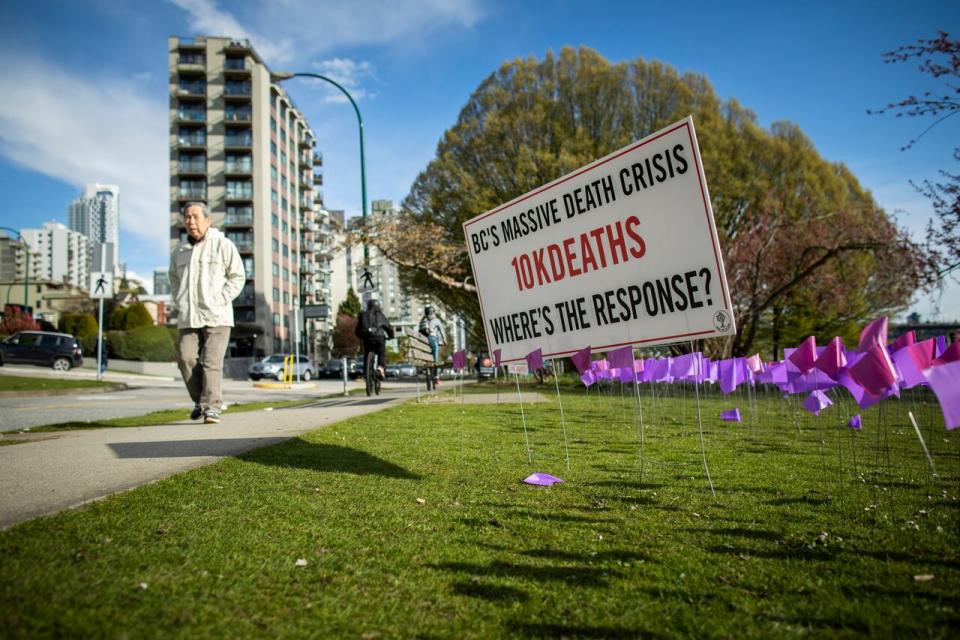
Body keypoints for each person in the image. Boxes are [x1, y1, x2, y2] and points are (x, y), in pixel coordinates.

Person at [169, 202, 245, 424]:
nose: (190, 221)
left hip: (218, 315)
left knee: (212, 361)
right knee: (185, 359)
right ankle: (201, 401)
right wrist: (179, 299)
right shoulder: (179, 251)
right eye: (187, 217)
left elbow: (238, 276)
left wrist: (220, 299)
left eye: (195, 217)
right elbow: (173, 279)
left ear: (207, 220)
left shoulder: (223, 244)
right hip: (188, 314)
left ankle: (211, 407)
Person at [355, 299, 394, 379]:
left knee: (367, 353)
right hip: (379, 337)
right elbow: (389, 327)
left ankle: (366, 372)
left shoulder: (363, 315)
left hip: (367, 338)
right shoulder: (380, 315)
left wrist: (361, 336)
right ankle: (380, 368)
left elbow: (357, 330)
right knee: (381, 352)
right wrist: (391, 336)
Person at [418, 306, 445, 385]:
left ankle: (427, 368)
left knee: (430, 352)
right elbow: (440, 331)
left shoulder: (423, 320)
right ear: (433, 312)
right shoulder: (436, 320)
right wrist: (443, 340)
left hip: (423, 343)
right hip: (431, 339)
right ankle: (437, 377)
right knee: (436, 356)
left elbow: (421, 331)